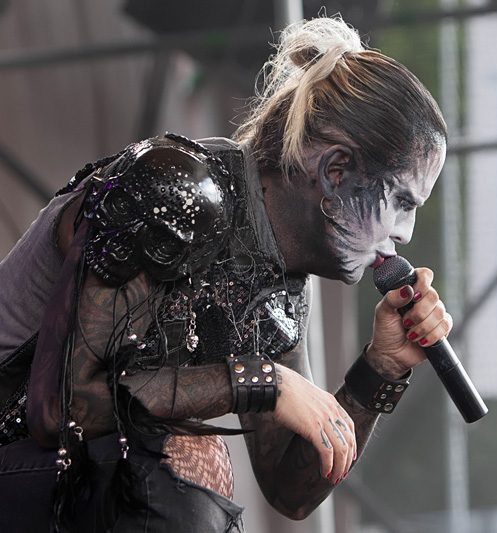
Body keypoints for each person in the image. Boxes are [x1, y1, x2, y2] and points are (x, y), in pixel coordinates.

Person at [0, 15, 451, 532]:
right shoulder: (176, 192)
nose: (405, 234)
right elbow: (63, 409)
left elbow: (290, 490)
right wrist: (261, 382)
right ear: (336, 171)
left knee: (186, 462)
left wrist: (382, 367)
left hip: (48, 484)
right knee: (190, 455)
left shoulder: (279, 290)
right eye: (402, 202)